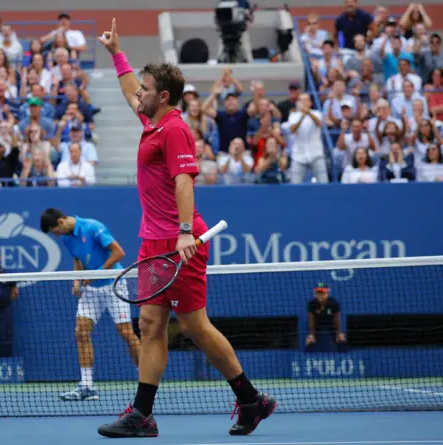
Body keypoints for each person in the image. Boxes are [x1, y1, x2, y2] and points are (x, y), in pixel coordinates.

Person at [95, 18, 277, 439]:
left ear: (161, 96)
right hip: (152, 241)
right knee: (151, 325)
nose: (135, 93)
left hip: (182, 241)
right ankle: (143, 414)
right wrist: (116, 53)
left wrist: (182, 232)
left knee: (195, 327)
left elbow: (183, 181)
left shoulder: (174, 129)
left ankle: (251, 399)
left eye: (144, 89)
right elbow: (127, 92)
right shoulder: (152, 122)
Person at [40, 208, 141, 401]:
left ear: (60, 222)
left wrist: (97, 273)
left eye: (55, 231)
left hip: (113, 284)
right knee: (81, 332)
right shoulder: (66, 238)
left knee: (127, 333)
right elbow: (78, 260)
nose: (57, 235)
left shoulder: (93, 227)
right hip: (91, 290)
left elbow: (118, 252)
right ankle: (87, 386)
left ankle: (146, 378)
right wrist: (76, 280)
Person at [305, 282, 347, 353]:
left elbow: (336, 319)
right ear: (315, 294)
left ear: (327, 293)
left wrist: (338, 333)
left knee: (341, 339)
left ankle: (344, 356)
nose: (320, 295)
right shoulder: (311, 304)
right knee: (309, 340)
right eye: (318, 293)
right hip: (317, 324)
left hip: (330, 323)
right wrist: (312, 334)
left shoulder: (334, 303)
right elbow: (311, 320)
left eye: (323, 293)